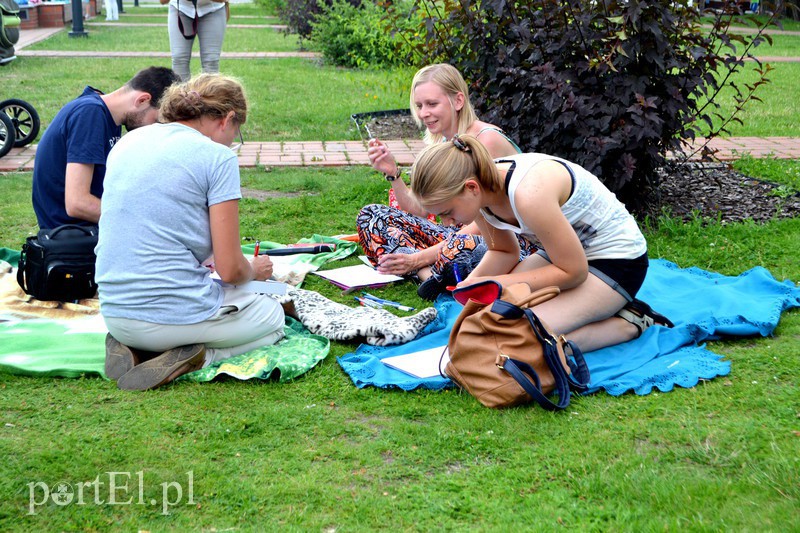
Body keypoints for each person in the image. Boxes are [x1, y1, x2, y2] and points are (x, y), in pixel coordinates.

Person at [95, 73, 286, 391]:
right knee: (273, 319)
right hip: (172, 316)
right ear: (227, 120)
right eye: (236, 134)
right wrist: (256, 270)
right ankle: (200, 356)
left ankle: (138, 349)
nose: (232, 143)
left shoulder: (129, 142)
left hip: (115, 312)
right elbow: (230, 270)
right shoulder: (217, 157)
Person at [410, 134, 672, 353]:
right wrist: (472, 285)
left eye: (447, 212)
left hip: (617, 263)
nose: (446, 223)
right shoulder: (479, 189)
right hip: (563, 255)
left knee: (524, 341)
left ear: (471, 188)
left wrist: (499, 284)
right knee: (485, 323)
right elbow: (503, 251)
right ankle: (598, 307)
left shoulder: (528, 195)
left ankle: (632, 320)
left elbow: (574, 272)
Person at [357, 63, 534, 300]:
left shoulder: (487, 141)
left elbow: (489, 224)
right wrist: (393, 174)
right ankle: (429, 274)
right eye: (419, 106)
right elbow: (420, 210)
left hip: (502, 241)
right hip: (452, 234)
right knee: (371, 217)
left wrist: (418, 257)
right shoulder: (442, 143)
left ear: (458, 101)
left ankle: (424, 269)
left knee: (459, 250)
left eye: (432, 104)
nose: (423, 113)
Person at [31, 66, 180, 230]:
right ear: (143, 100)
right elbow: (77, 203)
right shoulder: (90, 114)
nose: (154, 128)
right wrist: (140, 223)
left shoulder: (108, 115)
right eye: (157, 120)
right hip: (75, 236)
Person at [162, 0, 229, 82]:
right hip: (180, 8)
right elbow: (162, 1)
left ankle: (210, 94)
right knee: (179, 59)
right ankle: (181, 94)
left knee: (211, 61)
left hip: (213, 8)